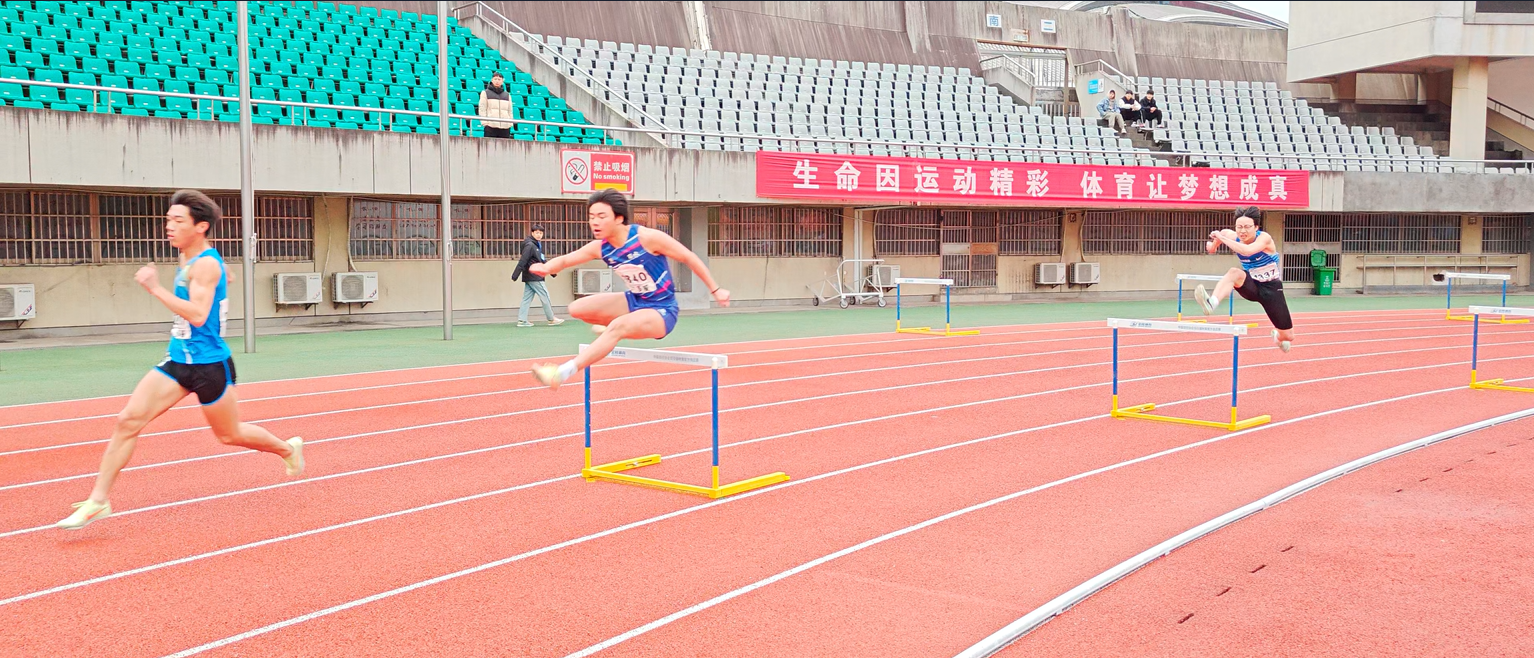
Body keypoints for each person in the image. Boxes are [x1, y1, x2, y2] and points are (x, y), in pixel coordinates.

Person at [57, 190, 303, 530]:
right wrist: (223, 272)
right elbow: (212, 271)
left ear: (200, 226)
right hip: (177, 360)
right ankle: (98, 501)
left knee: (229, 435)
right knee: (128, 421)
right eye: (168, 219)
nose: (168, 226)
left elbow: (199, 315)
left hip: (209, 365)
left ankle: (287, 450)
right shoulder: (194, 257)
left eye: (177, 220)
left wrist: (155, 288)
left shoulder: (204, 264)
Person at [528, 189, 730, 389]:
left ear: (619, 218)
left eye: (601, 216)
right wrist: (546, 268)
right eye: (591, 216)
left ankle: (560, 373)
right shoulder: (601, 247)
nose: (595, 222)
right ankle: (614, 329)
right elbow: (566, 260)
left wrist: (716, 290)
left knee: (617, 327)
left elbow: (689, 257)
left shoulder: (647, 238)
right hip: (635, 300)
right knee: (577, 308)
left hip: (662, 309)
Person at [1194, 206, 1295, 353]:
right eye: (1239, 227)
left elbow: (1247, 251)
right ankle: (1211, 302)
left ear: (1256, 227)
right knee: (1234, 272)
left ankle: (1278, 337)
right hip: (1251, 285)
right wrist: (1212, 246)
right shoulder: (1229, 235)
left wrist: (1221, 238)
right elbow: (1216, 243)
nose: (1242, 231)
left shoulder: (1264, 238)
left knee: (1289, 336)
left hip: (1272, 290)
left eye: (1247, 227)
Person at [512, 224, 564, 327]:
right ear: (532, 233)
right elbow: (523, 260)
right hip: (534, 276)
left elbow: (542, 260)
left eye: (541, 233)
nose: (539, 235)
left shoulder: (536, 245)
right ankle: (551, 319)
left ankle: (522, 320)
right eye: (537, 233)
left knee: (526, 298)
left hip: (531, 276)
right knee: (545, 296)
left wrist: (552, 272)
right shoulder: (530, 245)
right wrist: (515, 274)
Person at [478, 71, 514, 139]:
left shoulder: (507, 95)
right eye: (495, 79)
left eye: (499, 79)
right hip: (490, 126)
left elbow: (510, 110)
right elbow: (482, 108)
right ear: (492, 80)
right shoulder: (485, 93)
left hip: (505, 126)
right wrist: (485, 123)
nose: (497, 81)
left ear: (502, 81)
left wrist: (510, 123)